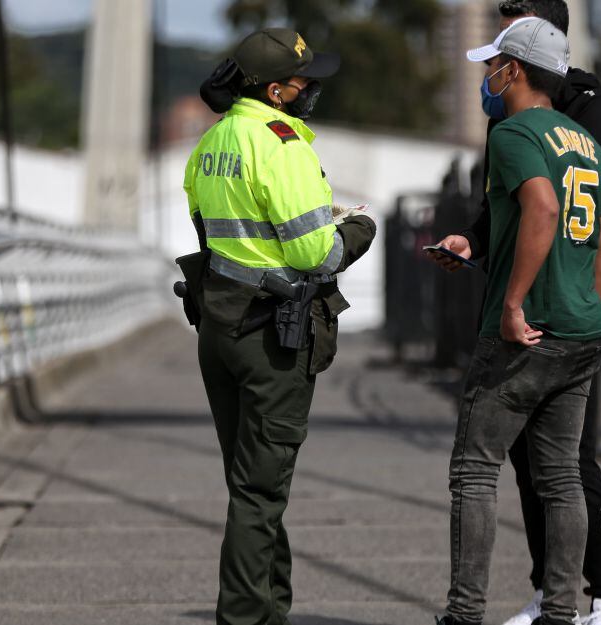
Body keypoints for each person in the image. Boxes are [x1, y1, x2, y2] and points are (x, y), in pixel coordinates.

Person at [427, 2, 601, 623]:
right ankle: (563, 612)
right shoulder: (587, 144)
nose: (487, 72)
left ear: (514, 71)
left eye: (493, 64)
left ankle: (464, 615)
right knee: (563, 476)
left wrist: (513, 304)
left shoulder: (515, 135)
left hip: (525, 331)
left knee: (475, 470)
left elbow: (541, 209)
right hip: (580, 332)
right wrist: (583, 316)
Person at [181, 28, 376, 625]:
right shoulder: (281, 142)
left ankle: (271, 609)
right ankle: (243, 616)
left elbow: (207, 226)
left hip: (220, 326)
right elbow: (315, 254)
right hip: (273, 337)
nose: (311, 87)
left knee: (252, 488)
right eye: (304, 80)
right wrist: (357, 232)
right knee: (260, 492)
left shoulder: (211, 142)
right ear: (276, 90)